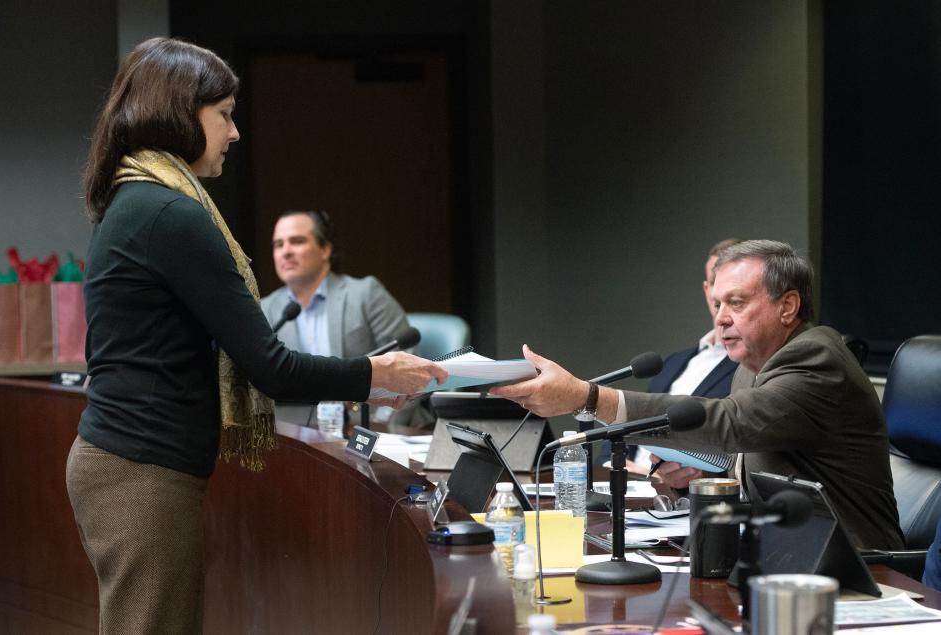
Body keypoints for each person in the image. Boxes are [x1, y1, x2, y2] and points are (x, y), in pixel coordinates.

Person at [66, 37, 446, 634]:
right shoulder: (170, 213)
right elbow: (270, 367)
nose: (235, 132)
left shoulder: (139, 198)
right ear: (180, 115)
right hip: (139, 471)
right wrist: (376, 375)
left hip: (129, 462)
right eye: (224, 115)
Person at [494, 240, 903, 550]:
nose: (721, 318)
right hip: (779, 553)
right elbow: (757, 457)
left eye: (737, 303)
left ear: (788, 306)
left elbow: (734, 424)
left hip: (858, 565)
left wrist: (588, 398)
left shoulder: (817, 358)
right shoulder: (752, 367)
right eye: (717, 303)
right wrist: (698, 477)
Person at [616, 238, 740, 473]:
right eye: (716, 283)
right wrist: (610, 462)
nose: (721, 296)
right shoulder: (674, 361)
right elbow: (632, 425)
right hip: (630, 485)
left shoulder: (749, 366)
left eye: (732, 286)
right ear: (707, 289)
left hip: (680, 494)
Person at [260, 209, 410, 358]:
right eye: (278, 245)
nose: (286, 252)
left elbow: (407, 360)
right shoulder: (264, 310)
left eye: (297, 241)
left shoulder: (365, 294)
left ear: (325, 250)